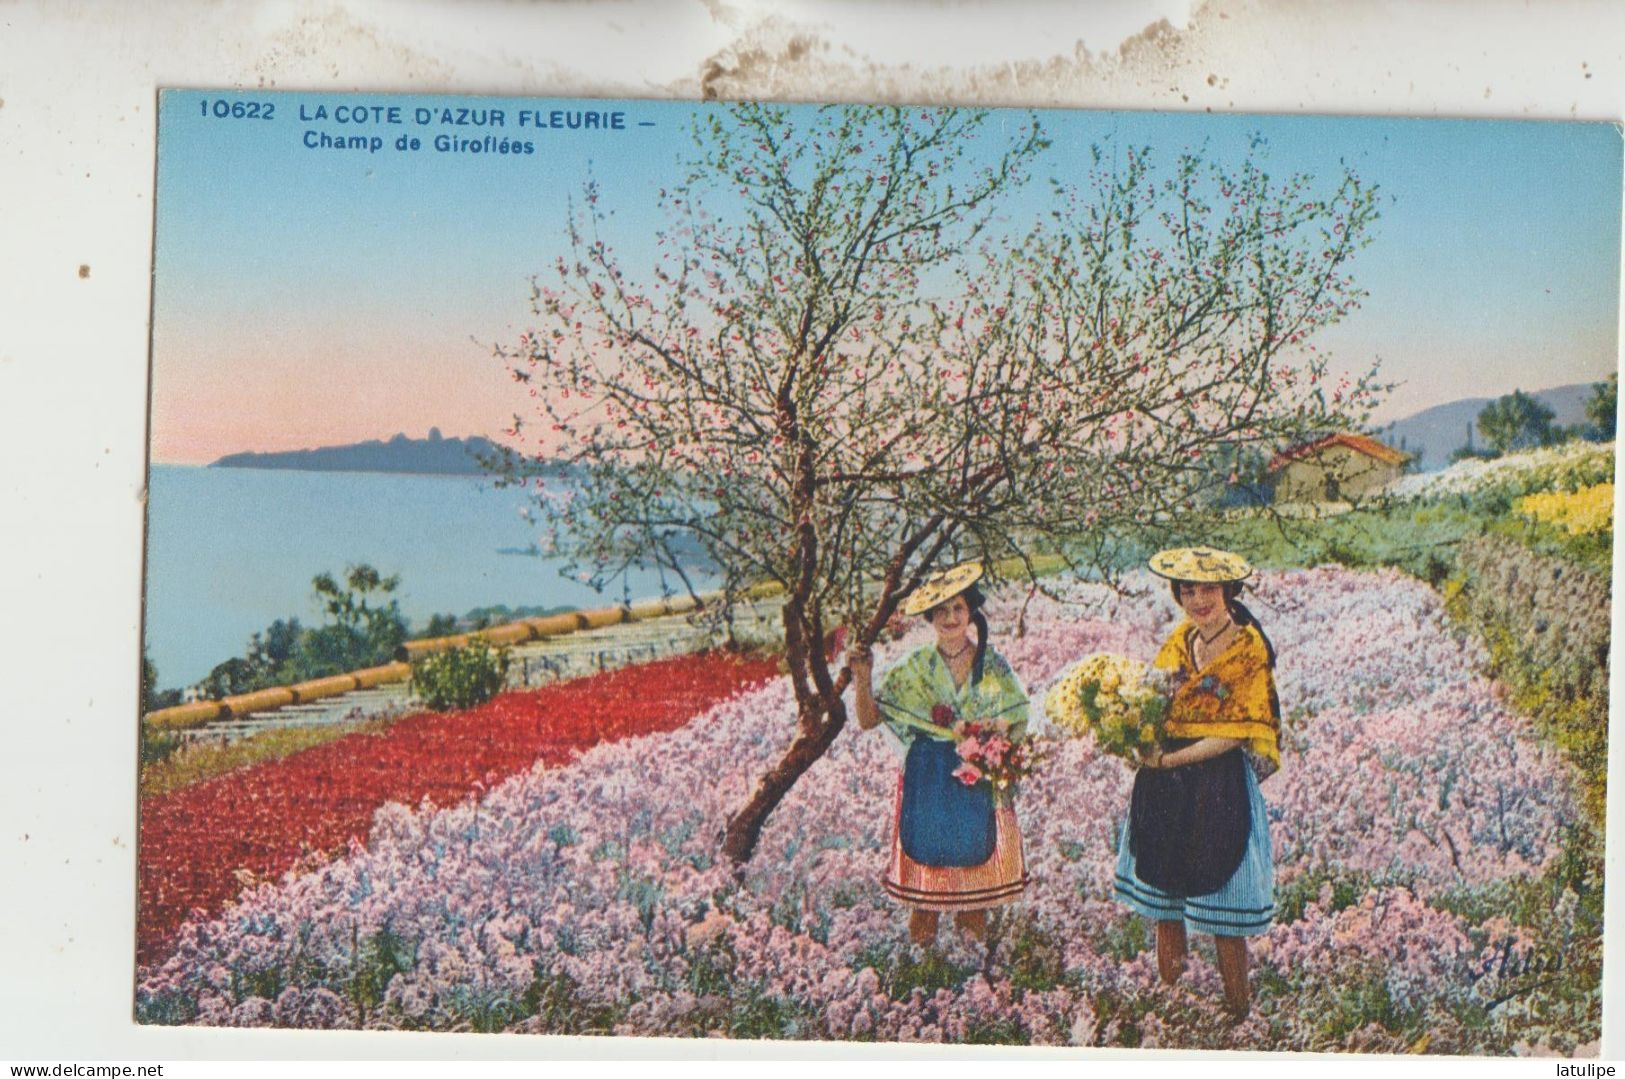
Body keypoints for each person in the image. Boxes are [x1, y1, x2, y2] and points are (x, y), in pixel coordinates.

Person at [1112, 546, 1281, 1020]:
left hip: (1216, 785)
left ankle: (1238, 1015)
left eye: (1207, 588)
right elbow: (1152, 702)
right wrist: (1134, 735)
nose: (1198, 599)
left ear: (1227, 591)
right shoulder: (1179, 641)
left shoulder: (1248, 649)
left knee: (1224, 904)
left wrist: (1169, 759)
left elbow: (1234, 733)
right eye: (1188, 590)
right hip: (1167, 786)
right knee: (1166, 901)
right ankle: (1173, 1011)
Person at [849, 562, 1030, 947]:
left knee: (974, 893)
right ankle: (924, 975)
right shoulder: (914, 669)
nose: (951, 618)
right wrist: (862, 676)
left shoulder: (991, 664)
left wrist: (994, 750)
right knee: (925, 896)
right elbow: (867, 719)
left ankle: (970, 978)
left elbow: (1017, 718)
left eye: (959, 609)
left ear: (971, 613)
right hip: (928, 781)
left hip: (975, 778)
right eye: (942, 610)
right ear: (931, 617)